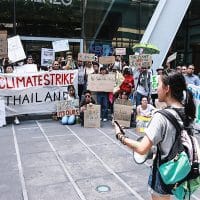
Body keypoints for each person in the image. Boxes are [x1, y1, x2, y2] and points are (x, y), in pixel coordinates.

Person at [114, 71, 196, 199]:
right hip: (181, 167)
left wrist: (120, 136)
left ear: (167, 89)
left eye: (158, 85)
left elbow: (142, 148)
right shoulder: (187, 110)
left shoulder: (161, 117)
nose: (156, 89)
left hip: (164, 170)